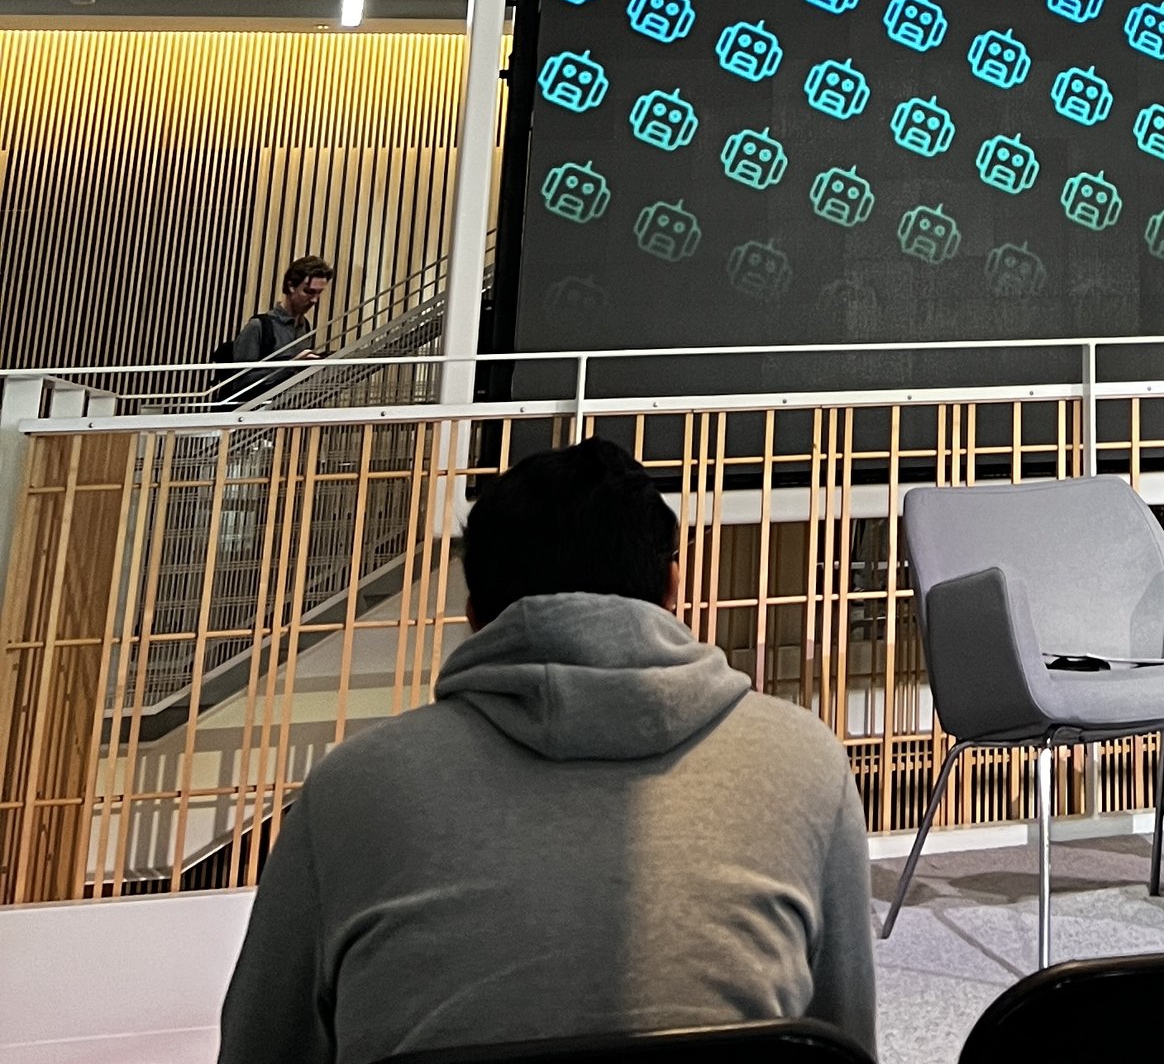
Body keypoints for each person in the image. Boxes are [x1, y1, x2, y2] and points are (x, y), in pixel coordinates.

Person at [218, 435, 875, 1062]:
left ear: (474, 613)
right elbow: (844, 1041)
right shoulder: (808, 764)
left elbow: (261, 1048)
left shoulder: (350, 791)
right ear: (673, 586)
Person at [214, 253, 333, 371]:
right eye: (308, 292)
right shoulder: (258, 326)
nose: (314, 300)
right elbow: (241, 382)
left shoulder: (306, 328)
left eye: (319, 293)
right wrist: (290, 366)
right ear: (291, 286)